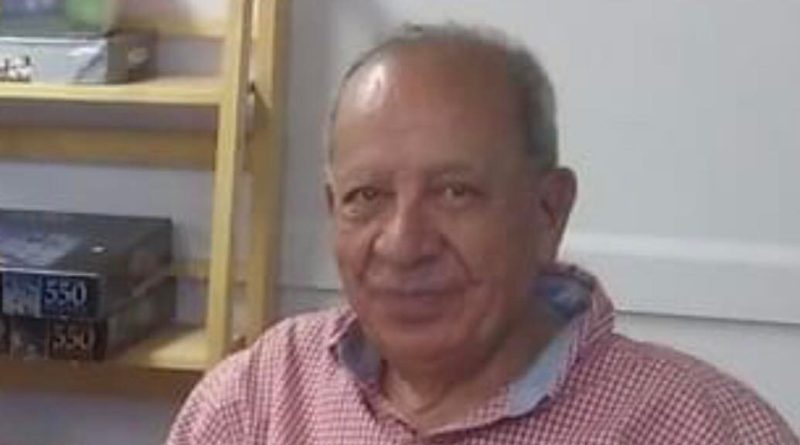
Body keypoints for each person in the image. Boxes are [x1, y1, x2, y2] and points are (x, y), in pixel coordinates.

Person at [167, 24, 798, 444]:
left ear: (548, 211)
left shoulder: (702, 428)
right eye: (367, 197)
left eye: (455, 192)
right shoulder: (259, 400)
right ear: (334, 210)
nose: (404, 244)